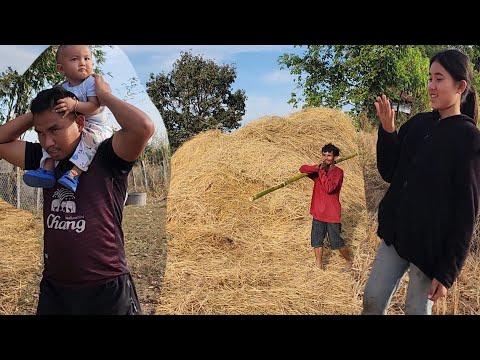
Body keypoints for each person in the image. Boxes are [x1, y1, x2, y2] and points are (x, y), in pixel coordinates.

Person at [0, 73, 155, 314]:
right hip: (56, 289)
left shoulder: (106, 156)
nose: (48, 141)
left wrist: (103, 97)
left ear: (80, 123)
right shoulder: (44, 160)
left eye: (55, 129)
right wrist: (38, 112)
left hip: (106, 288)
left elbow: (143, 127)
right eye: (40, 133)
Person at [362, 49, 480, 315]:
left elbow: (466, 211)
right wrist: (388, 131)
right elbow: (390, 172)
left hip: (430, 247)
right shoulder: (418, 124)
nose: (430, 86)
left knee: (415, 310)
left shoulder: (469, 138)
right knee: (371, 299)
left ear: (460, 86)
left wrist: (448, 272)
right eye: (430, 78)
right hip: (397, 234)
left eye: (439, 79)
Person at [23, 45, 113, 192]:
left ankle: (74, 173)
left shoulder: (90, 82)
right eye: (75, 59)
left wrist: (74, 105)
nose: (83, 63)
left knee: (89, 143)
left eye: (87, 58)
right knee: (49, 138)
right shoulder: (62, 88)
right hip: (74, 125)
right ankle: (47, 169)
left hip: (95, 125)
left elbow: (94, 107)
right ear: (61, 69)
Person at [299, 143, 353, 272]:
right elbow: (302, 169)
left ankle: (349, 261)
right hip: (318, 212)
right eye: (324, 155)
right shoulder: (319, 170)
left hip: (331, 213)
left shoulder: (338, 172)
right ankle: (319, 265)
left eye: (329, 155)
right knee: (316, 240)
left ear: (335, 157)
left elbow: (329, 188)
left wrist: (321, 171)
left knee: (336, 241)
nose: (326, 158)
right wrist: (317, 167)